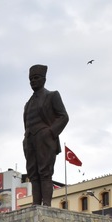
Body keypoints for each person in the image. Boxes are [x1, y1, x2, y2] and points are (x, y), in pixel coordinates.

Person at [22, 64, 69, 207]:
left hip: (45, 139)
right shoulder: (27, 104)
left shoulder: (52, 95)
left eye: (36, 78)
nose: (33, 81)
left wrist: (49, 133)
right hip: (30, 139)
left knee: (45, 172)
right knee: (33, 173)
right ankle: (36, 203)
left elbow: (63, 117)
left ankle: (46, 204)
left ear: (44, 79)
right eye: (31, 79)